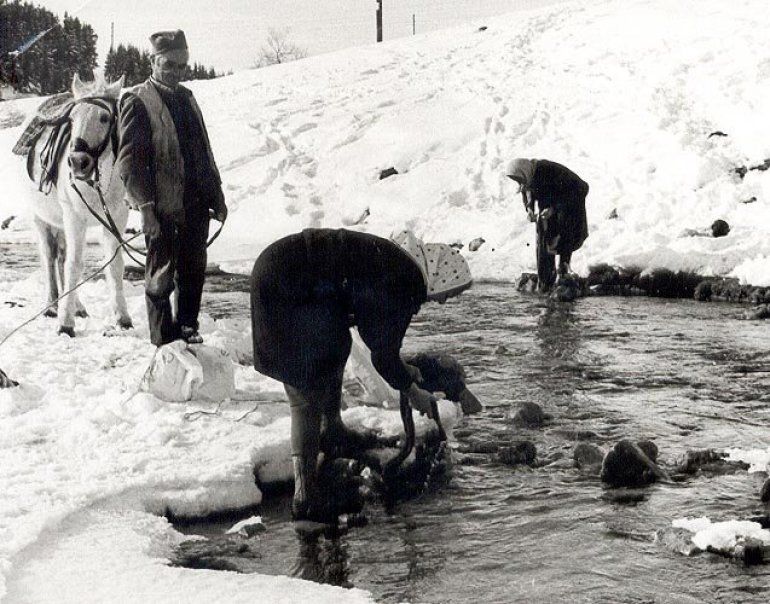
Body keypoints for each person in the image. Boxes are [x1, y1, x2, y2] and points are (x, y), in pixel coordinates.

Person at [250, 228, 472, 523]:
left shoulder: (401, 270)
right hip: (285, 284)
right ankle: (304, 495)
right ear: (441, 278)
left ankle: (332, 430)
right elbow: (382, 354)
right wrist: (413, 391)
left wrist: (402, 372)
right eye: (450, 293)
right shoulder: (403, 281)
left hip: (297, 278)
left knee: (337, 344)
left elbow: (378, 338)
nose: (444, 302)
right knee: (306, 390)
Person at [116, 30, 227, 346]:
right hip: (162, 207)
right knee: (161, 277)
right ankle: (163, 341)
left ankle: (188, 330)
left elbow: (204, 151)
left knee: (193, 272)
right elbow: (130, 163)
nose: (177, 72)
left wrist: (217, 195)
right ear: (153, 61)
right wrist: (146, 208)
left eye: (182, 66)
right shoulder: (137, 100)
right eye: (169, 65)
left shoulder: (188, 97)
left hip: (195, 204)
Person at [505, 158, 589, 292]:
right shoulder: (529, 174)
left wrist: (553, 208)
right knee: (545, 234)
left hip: (573, 197)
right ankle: (546, 279)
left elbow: (571, 191)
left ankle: (563, 270)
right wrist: (530, 210)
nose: (519, 182)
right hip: (553, 204)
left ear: (524, 171)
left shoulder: (546, 171)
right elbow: (527, 192)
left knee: (564, 232)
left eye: (519, 179)